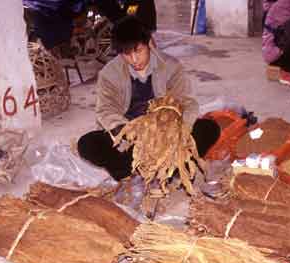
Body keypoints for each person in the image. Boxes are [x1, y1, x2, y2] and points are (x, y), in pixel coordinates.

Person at [77, 16, 220, 181]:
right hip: (132, 138)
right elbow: (105, 110)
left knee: (209, 128)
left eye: (138, 51)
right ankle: (136, 168)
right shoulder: (109, 74)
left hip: (167, 134)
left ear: (149, 44)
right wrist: (128, 131)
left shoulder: (171, 67)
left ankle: (167, 165)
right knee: (87, 144)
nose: (134, 60)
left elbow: (187, 102)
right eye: (127, 54)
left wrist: (178, 131)